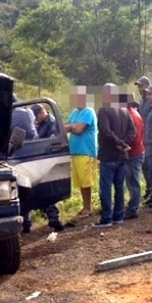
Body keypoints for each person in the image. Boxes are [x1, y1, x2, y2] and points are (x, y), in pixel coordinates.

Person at [94, 83, 136, 228]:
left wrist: (119, 143)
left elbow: (105, 131)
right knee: (119, 187)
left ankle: (107, 219)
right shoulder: (124, 109)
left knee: (106, 188)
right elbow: (133, 131)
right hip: (122, 155)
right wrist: (123, 144)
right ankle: (118, 216)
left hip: (108, 155)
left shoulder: (104, 110)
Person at [20, 104, 64, 233]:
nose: (34, 121)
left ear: (41, 114)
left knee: (43, 191)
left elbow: (48, 142)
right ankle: (28, 224)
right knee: (29, 192)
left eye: (35, 118)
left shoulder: (52, 124)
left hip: (44, 159)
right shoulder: (40, 124)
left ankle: (52, 219)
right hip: (34, 159)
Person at [64, 86, 98, 218]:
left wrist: (72, 127)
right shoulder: (75, 113)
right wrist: (71, 126)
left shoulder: (88, 111)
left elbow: (79, 129)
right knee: (80, 182)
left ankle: (88, 208)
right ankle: (85, 206)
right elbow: (64, 126)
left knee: (86, 181)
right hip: (76, 152)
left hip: (86, 152)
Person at [124, 98, 145, 219]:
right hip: (134, 152)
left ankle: (133, 209)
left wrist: (124, 145)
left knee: (133, 181)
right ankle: (132, 205)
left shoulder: (132, 116)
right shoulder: (131, 113)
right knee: (131, 181)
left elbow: (135, 138)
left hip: (134, 153)